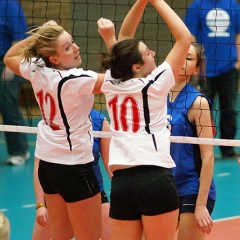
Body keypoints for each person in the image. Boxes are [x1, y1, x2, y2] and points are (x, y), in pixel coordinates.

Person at [98, 0, 192, 239]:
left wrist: (141, 2)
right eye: (148, 52)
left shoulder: (111, 82)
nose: (153, 53)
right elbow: (184, 38)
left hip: (122, 184)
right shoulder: (156, 83)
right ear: (137, 65)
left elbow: (125, 36)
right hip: (155, 179)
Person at [4, 20, 106, 239]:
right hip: (76, 167)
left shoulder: (37, 70)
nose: (76, 48)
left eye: (73, 42)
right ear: (54, 59)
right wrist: (111, 38)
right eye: (68, 47)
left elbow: (9, 57)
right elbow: (121, 83)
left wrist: (37, 36)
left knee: (60, 235)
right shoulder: (76, 80)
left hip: (49, 168)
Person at [32, 109, 112, 240]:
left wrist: (121, 194)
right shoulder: (51, 119)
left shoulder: (99, 121)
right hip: (57, 193)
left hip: (91, 192)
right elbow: (38, 167)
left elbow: (111, 164)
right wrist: (40, 205)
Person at [167, 43, 216, 240]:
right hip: (163, 184)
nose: (181, 60)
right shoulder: (154, 96)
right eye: (179, 55)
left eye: (188, 58)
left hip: (190, 186)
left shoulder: (198, 103)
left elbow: (208, 156)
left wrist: (201, 204)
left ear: (196, 68)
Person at [184, 0, 240, 158]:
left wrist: (238, 61)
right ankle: (198, 148)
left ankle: (228, 148)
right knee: (200, 111)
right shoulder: (197, 6)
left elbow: (238, 33)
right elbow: (190, 36)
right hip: (205, 70)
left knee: (229, 109)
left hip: (229, 68)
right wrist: (196, 63)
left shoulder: (232, 5)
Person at [0, 0, 29, 165]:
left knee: (8, 105)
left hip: (5, 62)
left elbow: (19, 39)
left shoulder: (9, 5)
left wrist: (10, 68)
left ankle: (19, 151)